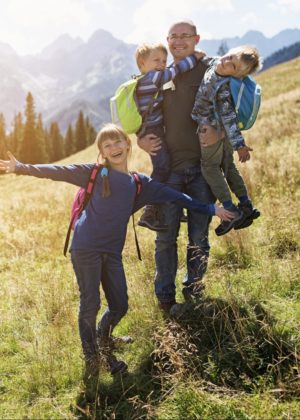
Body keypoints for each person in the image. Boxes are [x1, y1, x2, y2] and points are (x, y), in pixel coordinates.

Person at [0, 123, 233, 379]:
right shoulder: (94, 173)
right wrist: (21, 167)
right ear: (102, 152)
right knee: (90, 303)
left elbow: (176, 196)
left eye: (117, 142)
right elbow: (58, 171)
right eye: (107, 145)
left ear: (127, 144)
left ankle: (103, 337)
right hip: (85, 248)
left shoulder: (139, 183)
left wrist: (212, 209)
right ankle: (94, 357)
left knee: (120, 305)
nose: (114, 148)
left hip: (111, 253)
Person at [138, 20, 229, 311]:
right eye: (173, 37)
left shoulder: (210, 69)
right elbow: (144, 112)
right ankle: (165, 299)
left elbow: (229, 107)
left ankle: (195, 291)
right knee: (165, 238)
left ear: (196, 39)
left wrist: (220, 131)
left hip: (203, 168)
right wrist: (141, 139)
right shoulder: (158, 74)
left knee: (198, 237)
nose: (178, 41)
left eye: (185, 36)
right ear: (167, 40)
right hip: (169, 171)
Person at [191, 45, 262, 236]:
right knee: (228, 166)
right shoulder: (217, 63)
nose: (226, 62)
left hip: (211, 132)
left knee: (210, 168)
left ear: (236, 76)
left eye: (232, 65)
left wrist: (240, 145)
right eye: (229, 56)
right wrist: (200, 56)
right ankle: (246, 205)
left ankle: (231, 210)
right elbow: (212, 60)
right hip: (221, 134)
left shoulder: (222, 89)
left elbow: (230, 119)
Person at [135, 42, 204, 231]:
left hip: (150, 129)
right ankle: (149, 212)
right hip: (153, 131)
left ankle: (171, 207)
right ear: (142, 63)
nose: (161, 63)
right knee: (162, 168)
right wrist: (194, 58)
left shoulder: (144, 79)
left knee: (167, 165)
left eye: (164, 60)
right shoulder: (152, 78)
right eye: (156, 60)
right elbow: (176, 71)